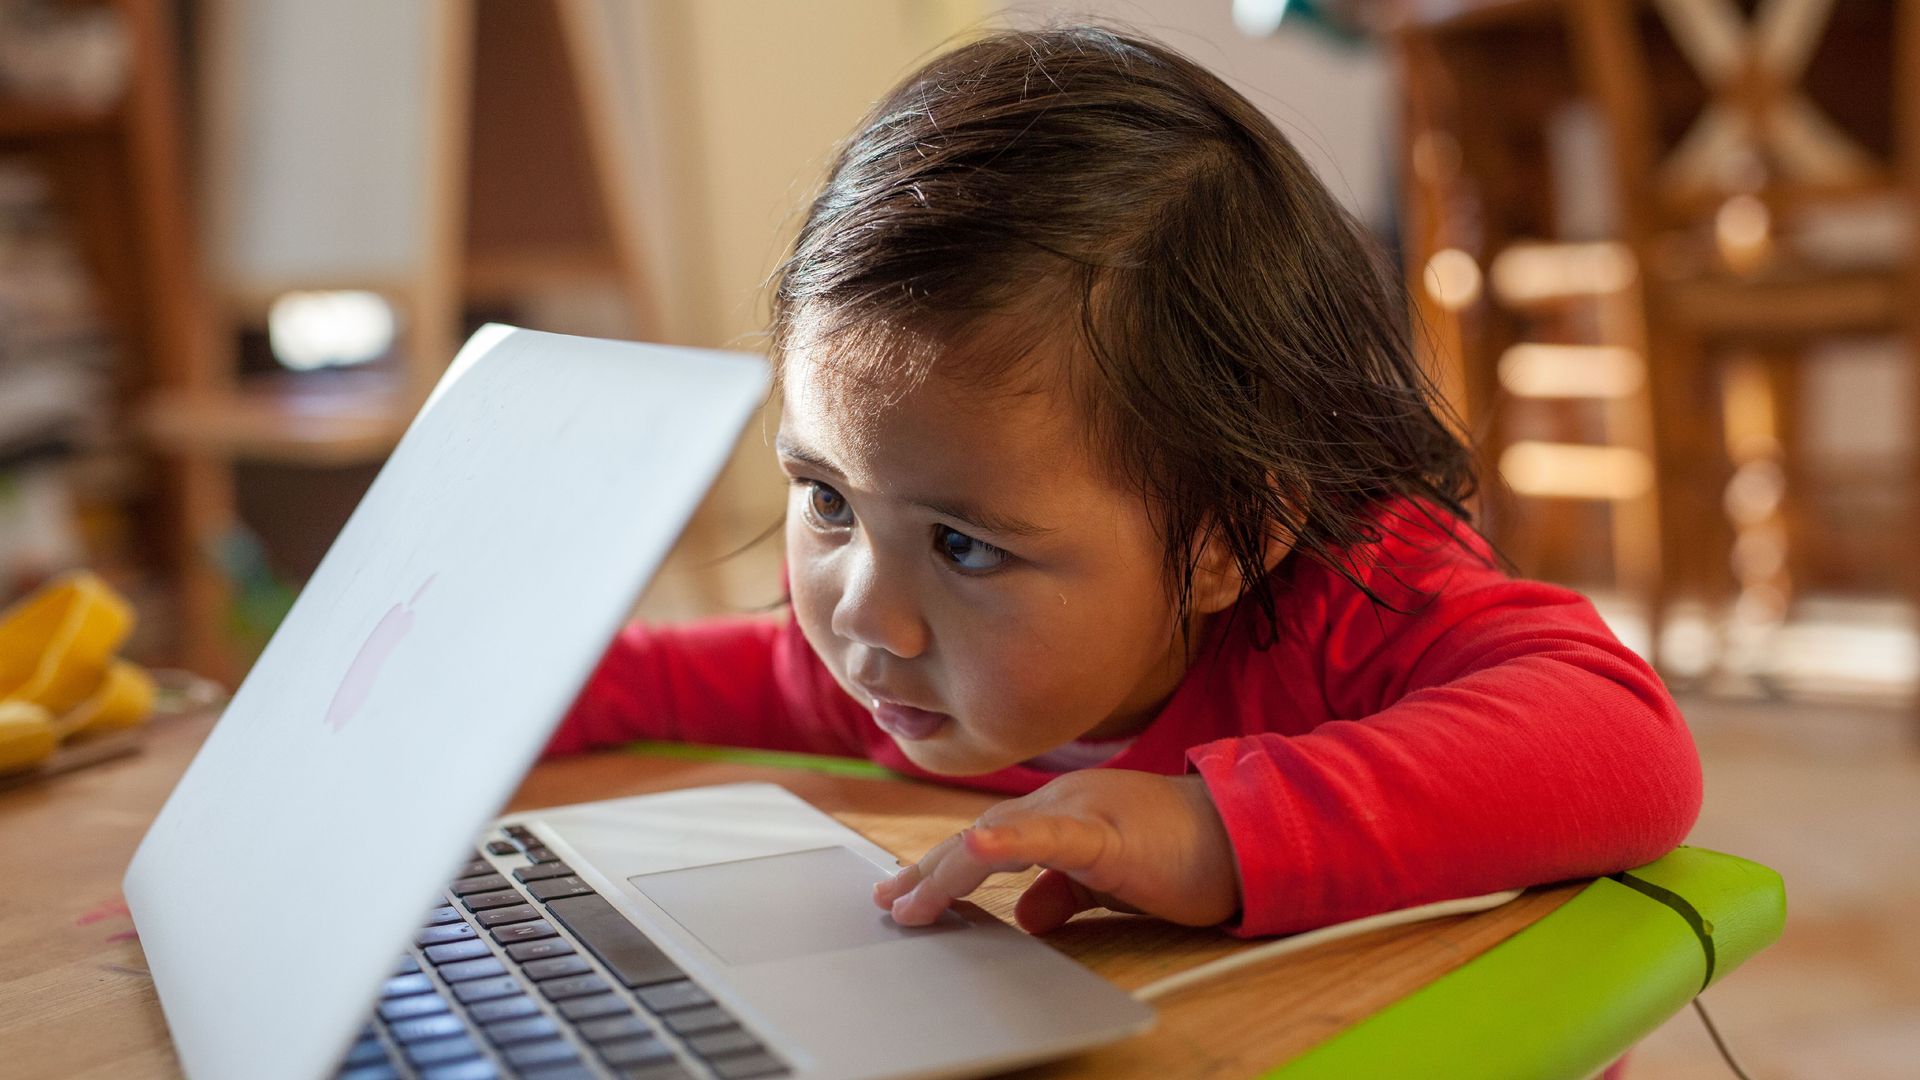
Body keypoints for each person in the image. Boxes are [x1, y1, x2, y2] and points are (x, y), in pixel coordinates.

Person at [545, 26, 1701, 940]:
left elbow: (1627, 743)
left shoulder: (1355, 607)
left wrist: (1215, 831)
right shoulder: (890, 665)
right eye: (830, 500)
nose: (862, 613)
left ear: (1228, 534)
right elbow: (612, 682)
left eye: (962, 545)